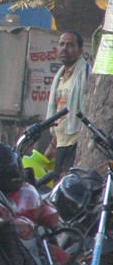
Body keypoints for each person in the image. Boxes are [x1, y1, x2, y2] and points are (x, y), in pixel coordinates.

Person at [46, 31, 90, 177]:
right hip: (61, 143)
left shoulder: (86, 73)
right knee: (57, 185)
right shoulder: (59, 77)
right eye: (61, 44)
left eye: (70, 45)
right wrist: (53, 144)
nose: (64, 48)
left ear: (80, 50)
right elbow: (60, 114)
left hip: (77, 143)